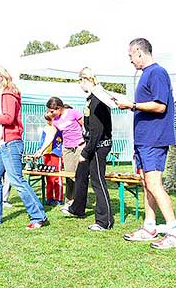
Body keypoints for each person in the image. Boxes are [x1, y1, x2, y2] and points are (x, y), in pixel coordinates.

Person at [116, 38, 176, 249]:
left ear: (139, 52)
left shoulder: (157, 73)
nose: (130, 60)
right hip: (145, 139)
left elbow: (160, 106)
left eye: (130, 56)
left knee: (155, 184)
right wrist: (132, 106)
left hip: (154, 139)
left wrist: (133, 104)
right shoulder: (147, 74)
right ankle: (149, 227)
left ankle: (175, 233)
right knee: (148, 184)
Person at [0, 65, 47, 229]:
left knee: (17, 181)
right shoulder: (2, 94)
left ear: (1, 78)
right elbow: (3, 116)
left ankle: (38, 216)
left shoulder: (8, 94)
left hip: (11, 143)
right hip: (3, 144)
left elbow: (8, 119)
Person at [60, 67, 114, 231]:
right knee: (81, 173)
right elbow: (90, 128)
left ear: (85, 80)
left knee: (98, 181)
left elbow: (97, 130)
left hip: (99, 146)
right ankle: (77, 208)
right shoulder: (91, 99)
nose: (80, 86)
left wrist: (86, 151)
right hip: (91, 143)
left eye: (80, 82)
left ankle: (104, 221)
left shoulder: (98, 99)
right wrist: (85, 141)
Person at [45, 97, 84, 205]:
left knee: (79, 175)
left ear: (59, 108)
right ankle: (69, 202)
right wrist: (41, 150)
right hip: (67, 149)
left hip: (79, 147)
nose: (50, 113)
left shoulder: (73, 113)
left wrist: (85, 142)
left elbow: (85, 126)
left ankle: (80, 201)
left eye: (52, 111)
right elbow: (51, 136)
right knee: (69, 176)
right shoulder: (56, 121)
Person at [34, 111, 63, 206]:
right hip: (46, 154)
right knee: (48, 177)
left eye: (50, 119)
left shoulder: (59, 128)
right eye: (47, 120)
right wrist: (39, 150)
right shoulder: (46, 128)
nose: (49, 122)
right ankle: (49, 198)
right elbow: (43, 140)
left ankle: (58, 198)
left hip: (56, 153)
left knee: (57, 176)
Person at [164, 101, 176, 192]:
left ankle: (167, 186)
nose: (174, 107)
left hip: (174, 143)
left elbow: (169, 127)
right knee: (175, 165)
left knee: (170, 165)